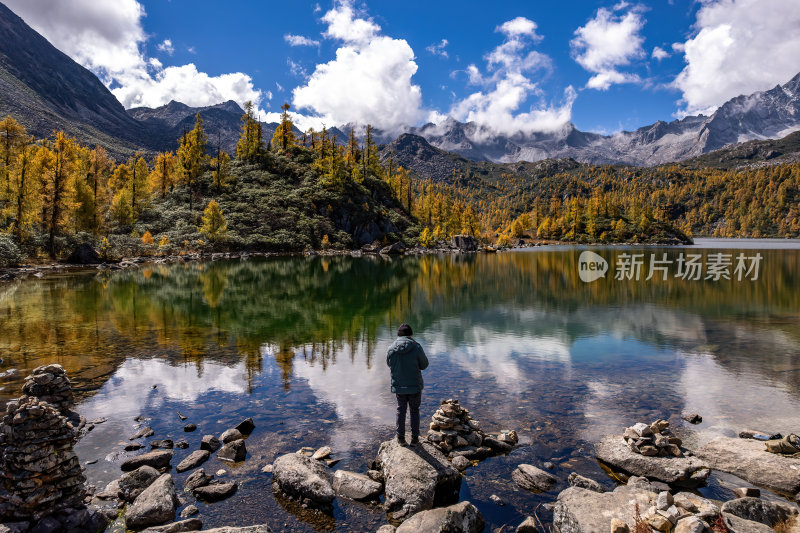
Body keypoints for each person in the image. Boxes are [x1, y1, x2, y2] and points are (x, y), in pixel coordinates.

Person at [387, 323, 429, 446]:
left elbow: (389, 364)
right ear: (410, 335)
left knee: (401, 410)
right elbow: (424, 365)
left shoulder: (391, 348)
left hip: (399, 386)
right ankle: (415, 439)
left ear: (398, 335)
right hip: (414, 386)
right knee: (414, 410)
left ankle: (400, 439)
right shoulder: (416, 347)